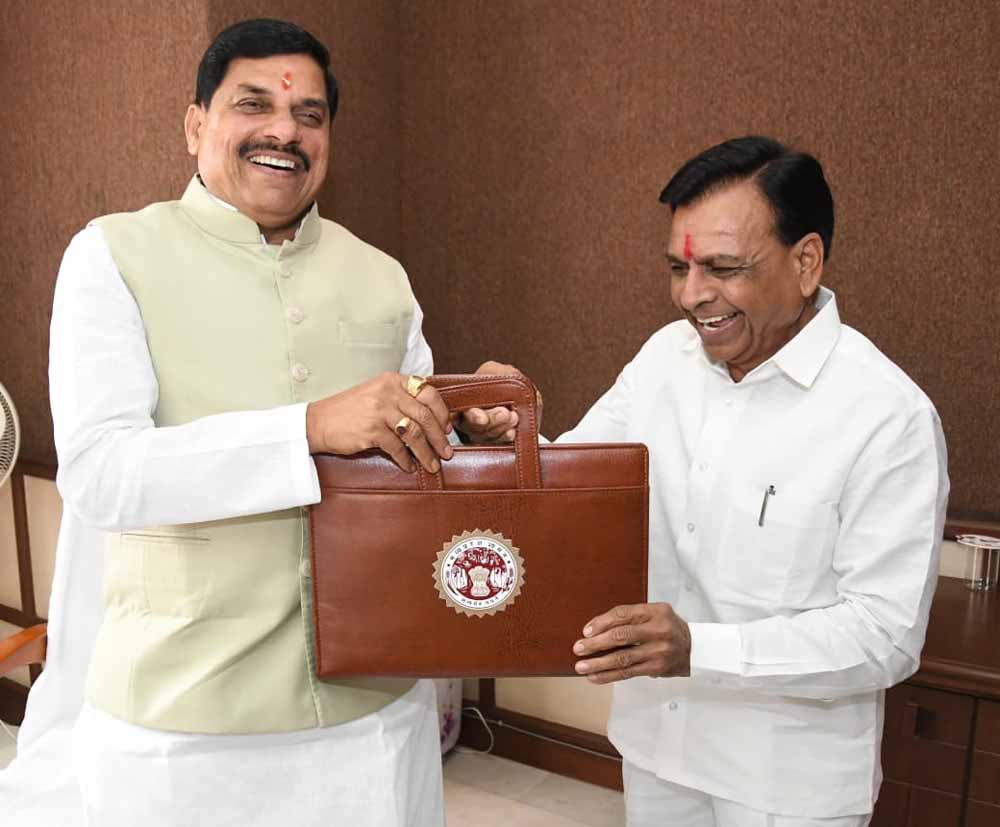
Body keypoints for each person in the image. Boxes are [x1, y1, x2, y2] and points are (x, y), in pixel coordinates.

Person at [2, 18, 510, 827]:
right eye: (253, 105)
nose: (285, 130)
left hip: (372, 717)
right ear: (195, 123)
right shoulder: (113, 257)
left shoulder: (381, 277)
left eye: (310, 115)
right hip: (182, 730)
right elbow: (102, 474)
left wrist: (476, 428)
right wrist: (306, 428)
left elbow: (421, 462)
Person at [564, 136, 949, 826]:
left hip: (784, 783)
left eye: (723, 268)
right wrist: (500, 436)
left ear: (806, 262)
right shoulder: (663, 360)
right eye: (678, 268)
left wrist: (699, 648)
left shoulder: (887, 416)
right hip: (656, 748)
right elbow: (572, 482)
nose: (691, 295)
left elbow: (883, 635)